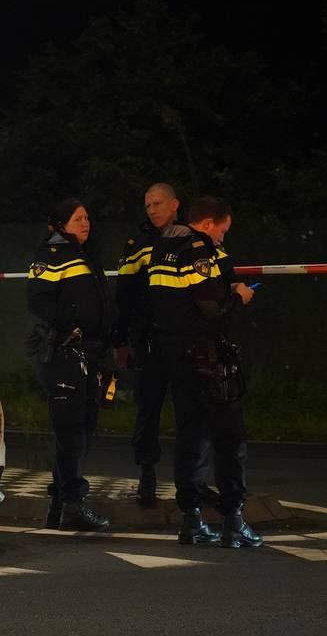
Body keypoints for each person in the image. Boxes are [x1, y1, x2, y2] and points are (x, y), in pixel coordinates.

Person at [147, 196, 261, 548]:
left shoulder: (161, 247)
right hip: (206, 360)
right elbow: (212, 309)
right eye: (223, 231)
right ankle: (234, 519)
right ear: (209, 223)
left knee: (190, 437)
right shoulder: (197, 251)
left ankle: (192, 518)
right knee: (229, 439)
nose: (222, 239)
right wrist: (239, 296)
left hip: (174, 359)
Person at [27, 198, 111, 532]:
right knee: (70, 433)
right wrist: (71, 325)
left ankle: (62, 503)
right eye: (78, 219)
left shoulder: (85, 256)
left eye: (88, 217)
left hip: (89, 355)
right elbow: (37, 301)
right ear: (61, 224)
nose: (86, 223)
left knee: (81, 430)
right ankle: (71, 504)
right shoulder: (52, 255)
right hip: (64, 356)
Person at [113, 183, 179, 505]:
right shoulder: (137, 245)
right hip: (149, 341)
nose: (152, 209)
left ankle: (191, 477)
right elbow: (123, 297)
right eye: (147, 204)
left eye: (158, 203)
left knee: (192, 413)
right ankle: (147, 475)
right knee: (148, 409)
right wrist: (121, 340)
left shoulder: (190, 239)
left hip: (184, 342)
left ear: (175, 205)